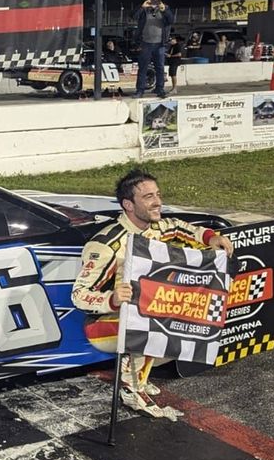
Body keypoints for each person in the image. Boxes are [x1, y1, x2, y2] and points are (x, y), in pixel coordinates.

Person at [71, 168, 234, 417]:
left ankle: (140, 375)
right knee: (153, 318)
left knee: (184, 314)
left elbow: (182, 228)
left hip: (142, 313)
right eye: (148, 197)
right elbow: (79, 295)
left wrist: (210, 237)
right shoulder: (106, 244)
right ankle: (130, 388)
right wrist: (112, 299)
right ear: (128, 204)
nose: (158, 202)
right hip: (102, 323)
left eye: (158, 194)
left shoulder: (159, 226)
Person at [132, 0, 174, 98]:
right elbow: (133, 17)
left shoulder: (165, 7)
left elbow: (171, 20)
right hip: (145, 43)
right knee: (143, 67)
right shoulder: (143, 8)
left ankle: (160, 89)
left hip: (160, 43)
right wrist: (142, 7)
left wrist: (164, 10)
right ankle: (140, 90)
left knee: (160, 67)